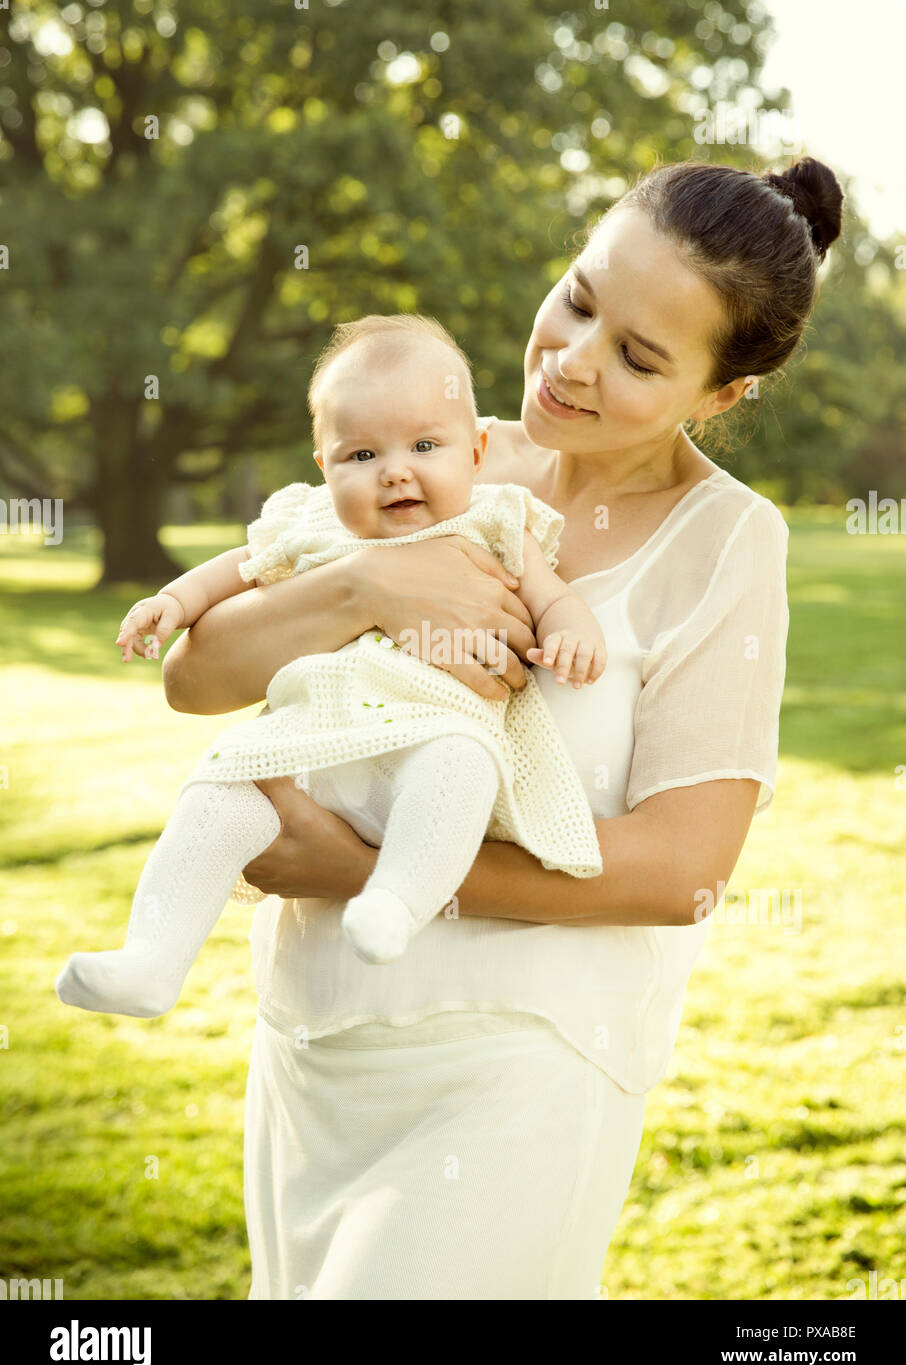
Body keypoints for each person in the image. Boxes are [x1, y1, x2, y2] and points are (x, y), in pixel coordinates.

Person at [161, 157, 844, 1300]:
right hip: (320, 1036)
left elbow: (683, 870)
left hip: (523, 1062)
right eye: (579, 299)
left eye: (638, 357)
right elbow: (197, 675)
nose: (572, 360)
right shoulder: (434, 455)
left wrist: (375, 868)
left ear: (721, 395)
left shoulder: (728, 542)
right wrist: (369, 590)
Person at [54, 314, 607, 1018]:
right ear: (324, 466)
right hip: (309, 751)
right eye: (361, 456)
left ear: (477, 451)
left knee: (463, 768)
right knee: (216, 790)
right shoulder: (311, 522)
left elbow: (550, 596)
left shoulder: (497, 520)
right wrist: (172, 600)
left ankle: (394, 903)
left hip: (427, 742)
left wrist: (570, 633)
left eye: (425, 445)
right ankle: (151, 959)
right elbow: (238, 569)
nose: (395, 470)